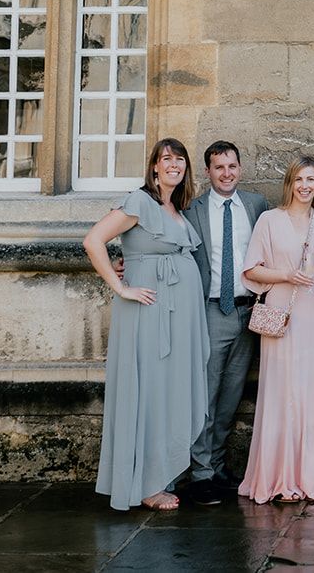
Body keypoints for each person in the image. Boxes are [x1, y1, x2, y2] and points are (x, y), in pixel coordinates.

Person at [84, 138, 208, 512]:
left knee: (168, 392)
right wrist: (121, 287)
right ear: (154, 167)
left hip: (176, 315)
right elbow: (93, 241)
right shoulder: (139, 200)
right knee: (149, 391)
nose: (174, 164)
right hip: (150, 315)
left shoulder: (174, 207)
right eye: (166, 159)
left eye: (180, 159)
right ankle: (144, 484)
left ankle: (157, 474)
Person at [178, 140, 269, 504]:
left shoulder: (257, 205)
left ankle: (216, 465)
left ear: (240, 168)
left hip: (249, 311)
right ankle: (200, 473)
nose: (226, 173)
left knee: (232, 394)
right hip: (212, 309)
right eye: (219, 168)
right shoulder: (193, 210)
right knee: (207, 394)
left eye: (232, 166)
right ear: (207, 171)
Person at [239, 156, 314, 504]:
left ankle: (309, 474)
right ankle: (277, 475)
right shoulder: (269, 220)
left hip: (312, 317)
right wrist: (284, 275)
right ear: (290, 183)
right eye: (299, 180)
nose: (305, 186)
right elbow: (251, 270)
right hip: (280, 310)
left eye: (311, 180)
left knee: (309, 390)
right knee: (280, 391)